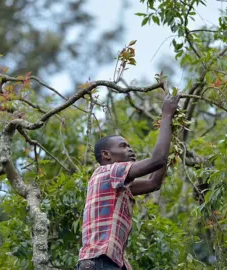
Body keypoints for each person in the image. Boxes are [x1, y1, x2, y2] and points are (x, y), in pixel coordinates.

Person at [76, 93, 180, 270]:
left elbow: (154, 183)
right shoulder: (107, 171)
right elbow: (157, 160)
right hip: (100, 263)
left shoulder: (116, 183)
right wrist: (166, 115)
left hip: (105, 263)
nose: (130, 150)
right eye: (123, 146)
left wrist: (171, 131)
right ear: (106, 155)